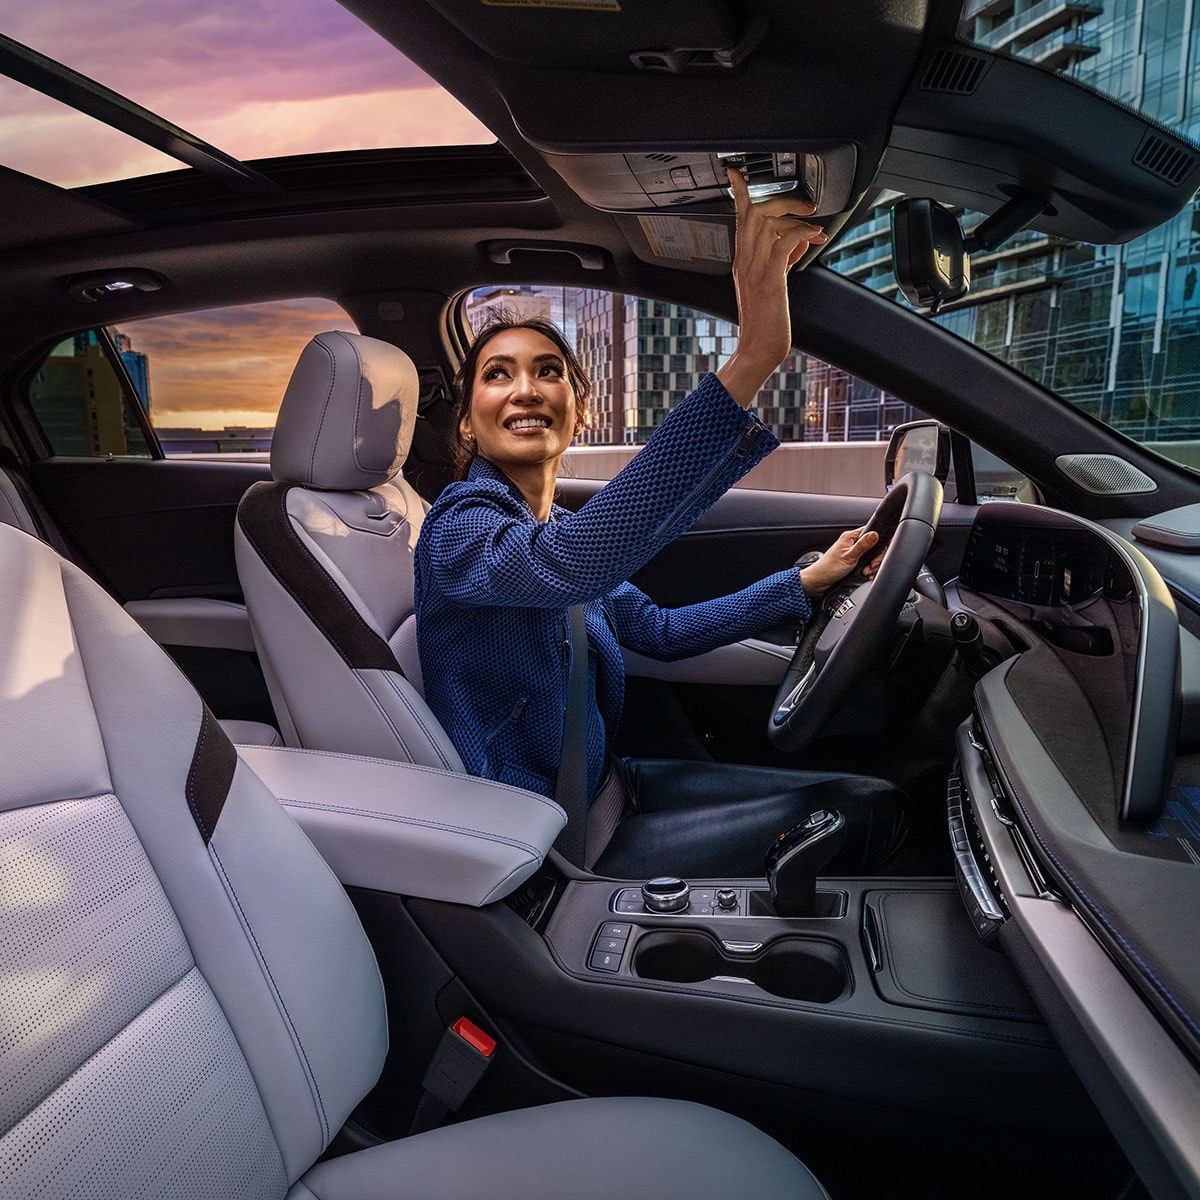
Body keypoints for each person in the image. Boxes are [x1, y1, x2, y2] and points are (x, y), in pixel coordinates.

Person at [414, 168, 908, 878]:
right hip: (549, 844)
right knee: (870, 812)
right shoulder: (459, 529)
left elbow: (661, 632)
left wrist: (804, 583)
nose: (525, 389)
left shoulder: (550, 526)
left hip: (610, 789)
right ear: (466, 422)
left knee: (862, 794)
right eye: (497, 374)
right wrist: (753, 358)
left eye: (548, 370)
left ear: (579, 411)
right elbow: (570, 563)